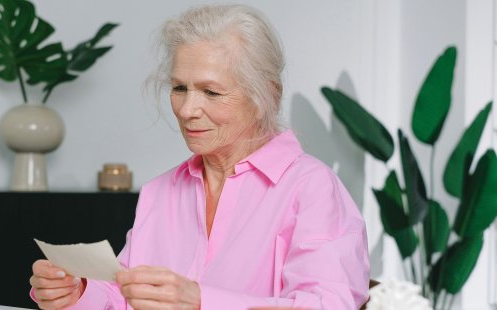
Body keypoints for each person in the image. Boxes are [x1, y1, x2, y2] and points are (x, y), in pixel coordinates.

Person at [30, 4, 370, 309]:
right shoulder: (161, 192)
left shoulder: (311, 187)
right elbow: (126, 297)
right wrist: (78, 293)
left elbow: (329, 305)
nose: (188, 110)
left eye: (211, 92)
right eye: (180, 88)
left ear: (267, 95)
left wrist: (200, 301)